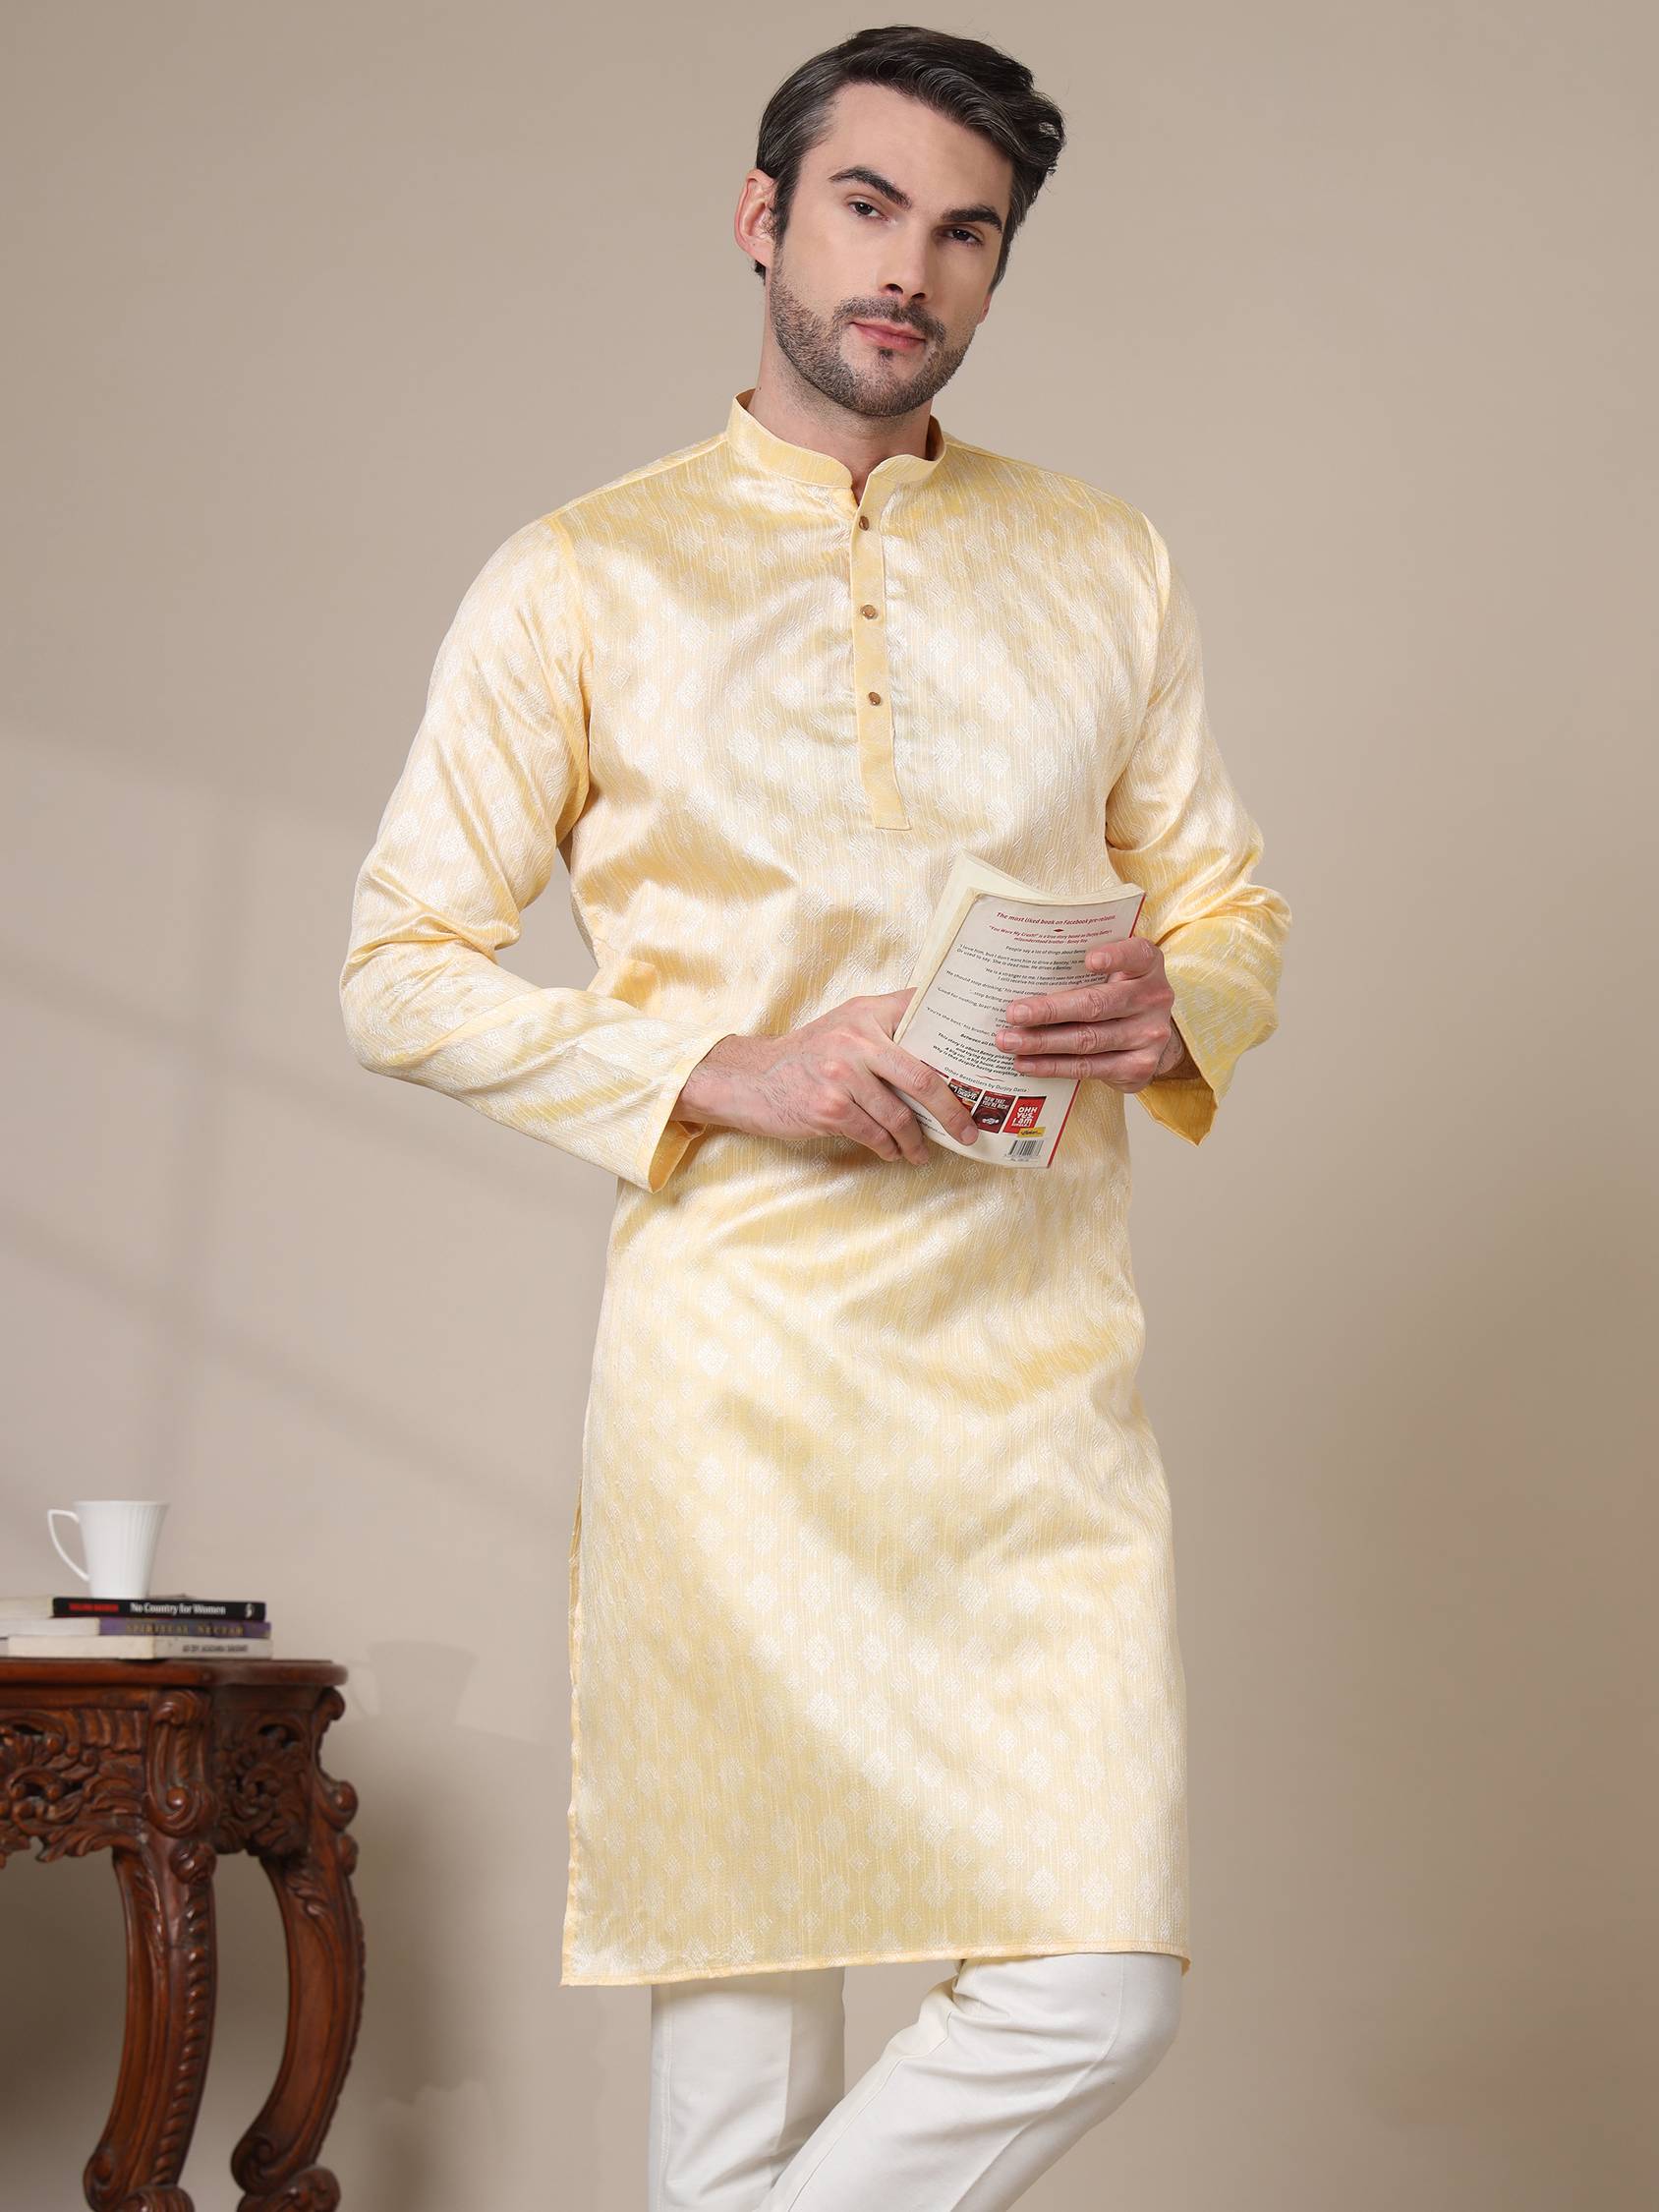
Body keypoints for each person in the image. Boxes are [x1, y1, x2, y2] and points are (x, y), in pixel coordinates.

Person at [340, 25, 1291, 2210]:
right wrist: (718, 1070)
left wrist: (1185, 997)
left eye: (966, 234)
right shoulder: (583, 575)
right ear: (763, 217)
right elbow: (396, 967)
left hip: (1035, 1388)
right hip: (741, 1397)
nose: (910, 270)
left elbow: (1226, 897)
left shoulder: (1104, 560)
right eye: (868, 207)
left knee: (1095, 1985)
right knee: (738, 2086)